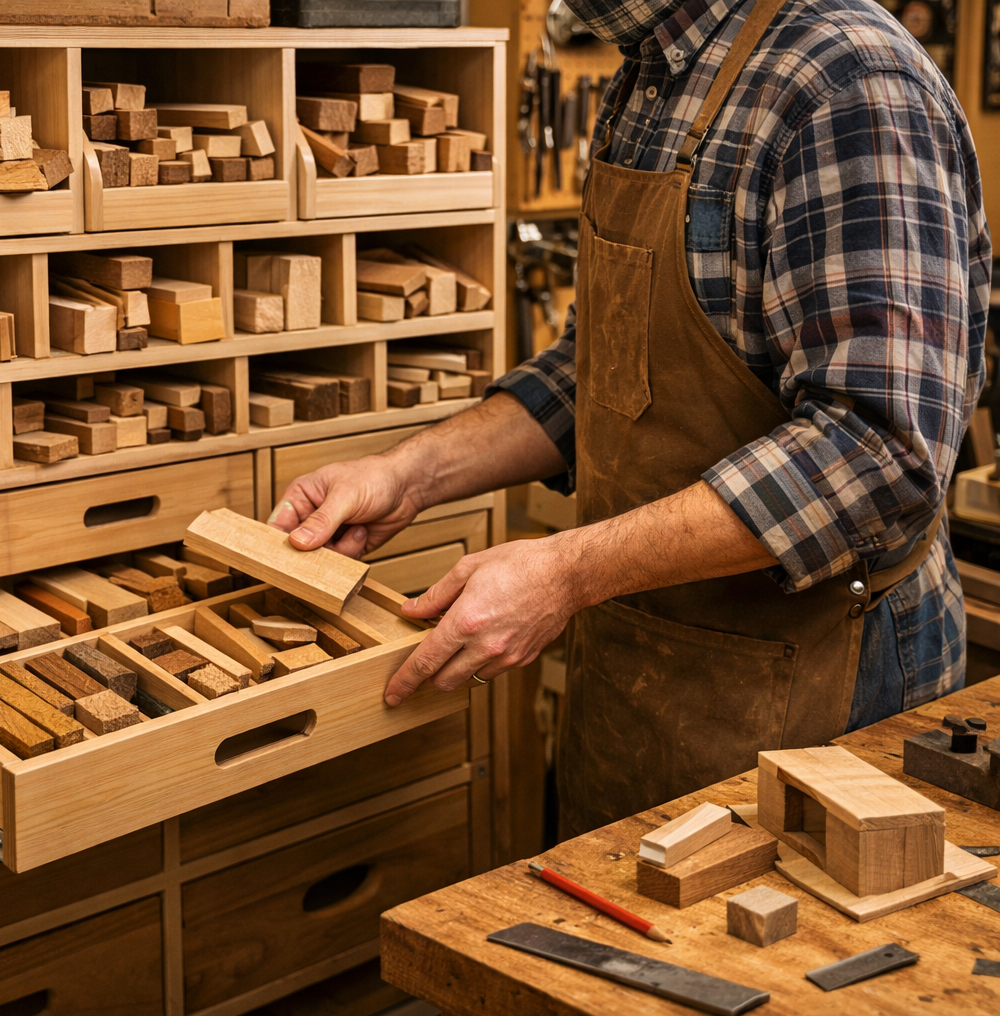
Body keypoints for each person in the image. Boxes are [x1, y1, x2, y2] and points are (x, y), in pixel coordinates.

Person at [271, 0, 991, 838]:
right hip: (646, 668)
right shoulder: (659, 72)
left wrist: (567, 571)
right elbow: (603, 369)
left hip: (816, 690)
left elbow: (877, 453)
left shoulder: (847, 80)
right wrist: (408, 474)